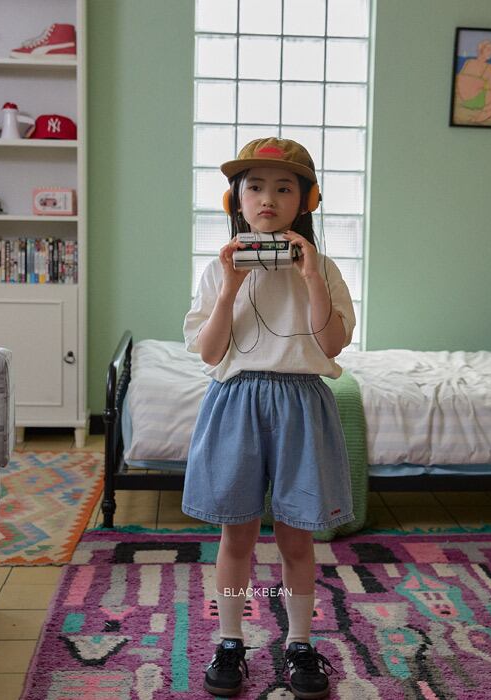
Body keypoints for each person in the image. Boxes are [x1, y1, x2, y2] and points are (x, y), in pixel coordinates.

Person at [182, 137, 356, 699]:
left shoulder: (323, 269)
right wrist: (230, 287)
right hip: (236, 403)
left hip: (302, 405)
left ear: (308, 201)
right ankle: (230, 640)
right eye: (254, 187)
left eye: (284, 188)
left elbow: (331, 344)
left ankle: (299, 642)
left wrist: (311, 276)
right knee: (236, 535)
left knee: (297, 538)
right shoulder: (219, 271)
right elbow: (211, 352)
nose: (267, 199)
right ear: (234, 199)